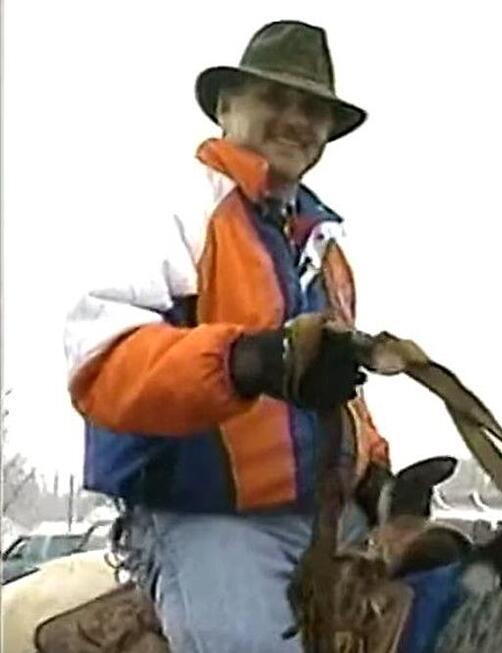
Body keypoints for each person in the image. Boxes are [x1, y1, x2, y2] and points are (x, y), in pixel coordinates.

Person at [63, 20, 395, 652]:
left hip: (328, 515)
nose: (295, 120)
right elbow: (103, 361)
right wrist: (246, 361)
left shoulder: (324, 245)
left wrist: (376, 472)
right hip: (207, 519)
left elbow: (344, 395)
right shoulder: (176, 203)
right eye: (275, 98)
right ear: (225, 107)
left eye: (312, 109)